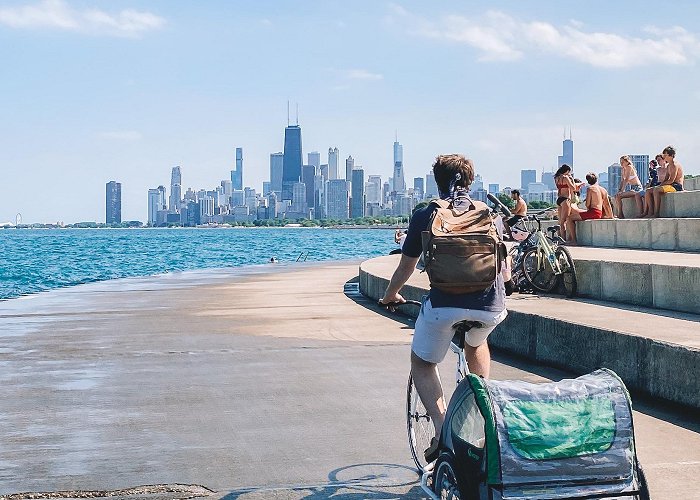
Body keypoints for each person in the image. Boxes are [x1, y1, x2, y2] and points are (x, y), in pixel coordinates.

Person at [379, 154, 507, 460]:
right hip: (489, 305)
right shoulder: (489, 212)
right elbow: (503, 265)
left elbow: (405, 267)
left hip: (443, 305)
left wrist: (390, 295)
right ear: (472, 181)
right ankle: (478, 414)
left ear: (437, 181)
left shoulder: (426, 213)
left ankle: (441, 428)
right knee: (477, 343)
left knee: (422, 362)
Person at [566, 172, 614, 245]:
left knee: (569, 218)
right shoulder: (603, 189)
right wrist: (611, 216)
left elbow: (587, 204)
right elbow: (607, 204)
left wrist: (588, 208)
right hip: (599, 212)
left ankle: (574, 240)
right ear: (596, 179)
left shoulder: (590, 189)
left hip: (593, 212)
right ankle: (570, 239)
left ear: (588, 181)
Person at [648, 146, 684, 218]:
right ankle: (650, 212)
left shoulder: (674, 165)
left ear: (670, 155)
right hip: (671, 185)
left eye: (665, 155)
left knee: (656, 190)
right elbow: (666, 179)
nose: (664, 156)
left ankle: (656, 213)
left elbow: (671, 180)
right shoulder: (668, 166)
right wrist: (660, 184)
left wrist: (660, 186)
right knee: (648, 191)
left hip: (676, 186)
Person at [554, 164, 580, 241]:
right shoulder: (565, 178)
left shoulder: (557, 178)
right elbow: (573, 188)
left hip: (559, 199)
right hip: (565, 199)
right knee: (564, 221)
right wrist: (571, 179)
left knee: (560, 222)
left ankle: (561, 239)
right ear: (567, 171)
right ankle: (564, 240)